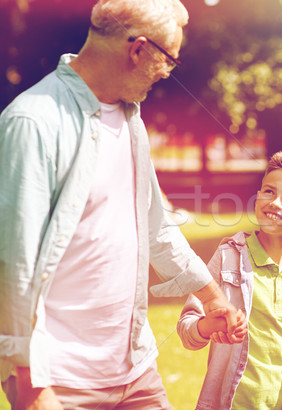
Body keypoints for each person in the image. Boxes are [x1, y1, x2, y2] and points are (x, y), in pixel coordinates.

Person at [0, 0, 247, 408]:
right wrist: (32, 386)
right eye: (169, 59)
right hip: (60, 384)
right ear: (138, 50)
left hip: (135, 372)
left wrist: (212, 299)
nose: (168, 72)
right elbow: (14, 266)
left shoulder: (130, 118)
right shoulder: (34, 122)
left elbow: (156, 224)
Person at [177, 151, 282, 409]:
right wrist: (208, 326)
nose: (275, 203)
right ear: (258, 196)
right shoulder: (227, 258)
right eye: (269, 191)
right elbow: (186, 330)